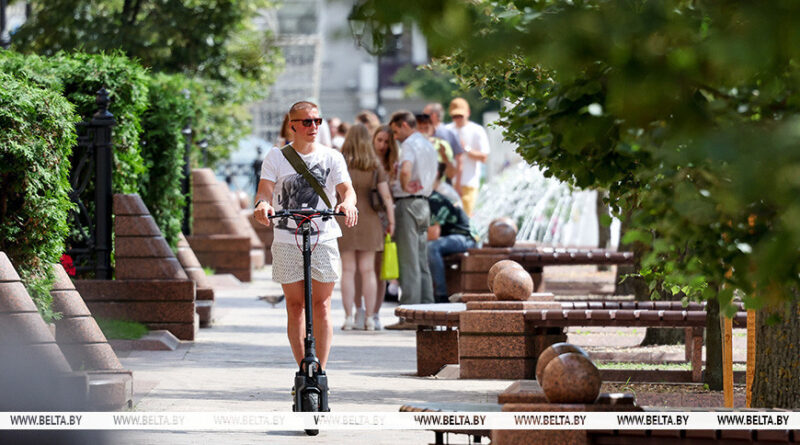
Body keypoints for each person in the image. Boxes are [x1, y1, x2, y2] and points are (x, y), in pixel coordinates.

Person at [253, 100, 358, 372]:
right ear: (293, 126)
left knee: (322, 305)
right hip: (287, 238)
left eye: (317, 121)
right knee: (295, 305)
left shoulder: (332, 156)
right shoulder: (276, 157)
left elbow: (346, 189)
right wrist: (262, 204)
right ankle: (303, 368)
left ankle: (320, 371)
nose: (314, 126)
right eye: (307, 121)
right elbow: (265, 189)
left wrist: (348, 203)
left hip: (324, 236)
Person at [337, 124, 395, 331]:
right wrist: (392, 222)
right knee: (368, 270)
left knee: (348, 270)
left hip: (345, 219)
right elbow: (386, 197)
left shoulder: (340, 164)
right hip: (370, 221)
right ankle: (370, 318)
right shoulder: (374, 165)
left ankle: (349, 317)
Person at [385, 110, 438, 328]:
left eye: (396, 131)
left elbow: (406, 169)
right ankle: (428, 312)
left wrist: (405, 185)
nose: (395, 136)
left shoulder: (409, 145)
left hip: (407, 203)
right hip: (424, 203)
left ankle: (409, 315)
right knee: (421, 260)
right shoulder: (428, 145)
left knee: (408, 261)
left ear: (405, 125)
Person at [427, 163, 478, 303]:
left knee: (432, 247)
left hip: (466, 237)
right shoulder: (433, 194)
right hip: (452, 237)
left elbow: (433, 234)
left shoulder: (436, 197)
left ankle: (441, 295)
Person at [445, 97, 490, 216]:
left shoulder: (477, 130)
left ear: (468, 113)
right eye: (455, 116)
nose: (457, 119)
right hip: (448, 183)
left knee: (466, 218)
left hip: (469, 183)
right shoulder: (447, 130)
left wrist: (465, 148)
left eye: (460, 116)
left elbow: (484, 157)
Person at [424, 102, 465, 187]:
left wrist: (458, 183)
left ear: (434, 115)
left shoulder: (449, 133)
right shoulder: (422, 134)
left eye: (425, 115)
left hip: (444, 183)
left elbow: (459, 160)